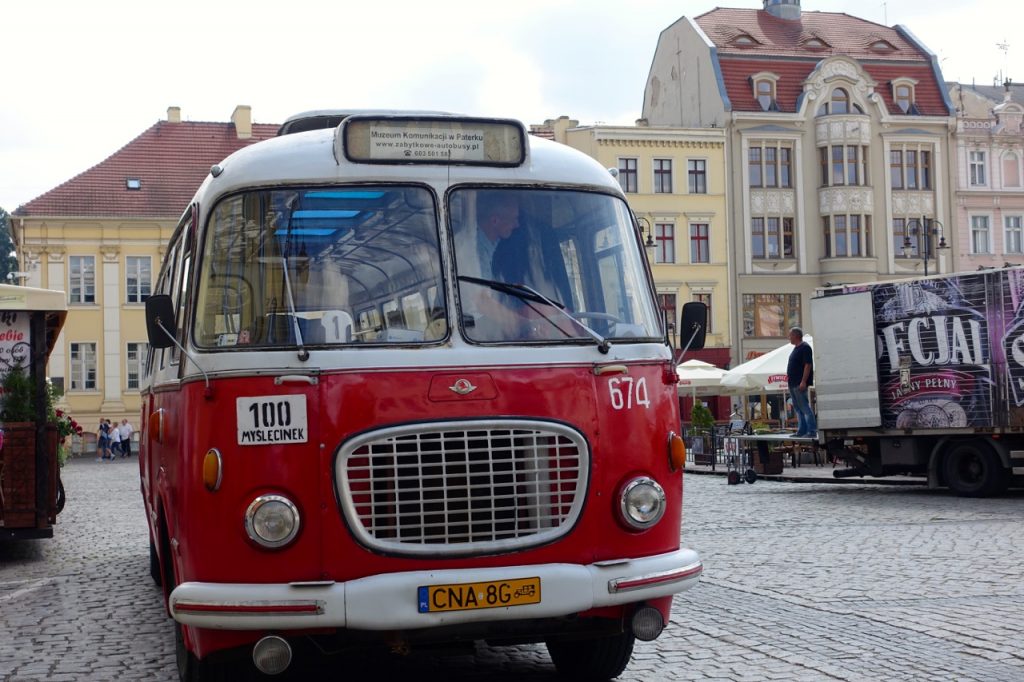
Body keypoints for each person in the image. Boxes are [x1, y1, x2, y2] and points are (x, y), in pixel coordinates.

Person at [787, 326, 816, 437]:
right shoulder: (796, 348)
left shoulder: (805, 347)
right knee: (798, 408)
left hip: (799, 383)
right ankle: (802, 430)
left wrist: (803, 381)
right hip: (793, 383)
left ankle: (811, 431)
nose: (789, 337)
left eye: (790, 335)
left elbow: (807, 365)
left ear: (795, 335)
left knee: (804, 407)